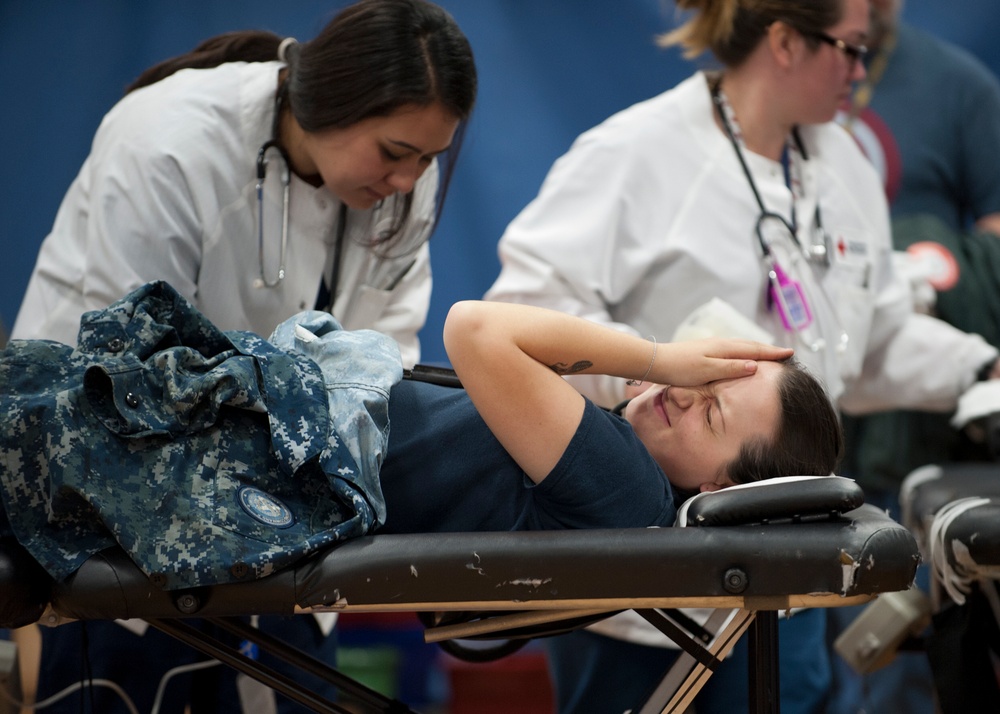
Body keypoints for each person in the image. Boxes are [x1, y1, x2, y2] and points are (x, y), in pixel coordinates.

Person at [483, 0, 1000, 712]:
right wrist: (656, 363)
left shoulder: (841, 163)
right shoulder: (637, 152)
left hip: (783, 562)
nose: (862, 68)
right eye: (850, 49)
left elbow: (869, 341)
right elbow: (520, 323)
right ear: (785, 42)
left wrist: (981, 369)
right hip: (641, 577)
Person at [0, 280, 842, 676]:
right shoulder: (623, 471)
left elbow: (477, 330)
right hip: (278, 441)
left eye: (712, 412)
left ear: (728, 491)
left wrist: (657, 354)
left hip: (274, 456)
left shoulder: (627, 488)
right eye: (702, 377)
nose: (681, 393)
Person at [8, 1, 477, 711]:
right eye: (393, 152)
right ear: (330, 101)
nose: (410, 180)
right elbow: (132, 373)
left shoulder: (402, 188)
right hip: (120, 496)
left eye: (428, 158)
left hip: (288, 517)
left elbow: (382, 367)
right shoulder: (168, 140)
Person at [829, 1, 1000, 712]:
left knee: (914, 639)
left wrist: (940, 274)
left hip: (925, 413)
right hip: (821, 407)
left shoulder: (957, 84)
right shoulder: (791, 113)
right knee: (828, 635)